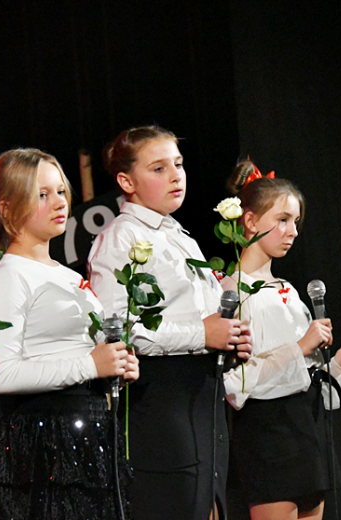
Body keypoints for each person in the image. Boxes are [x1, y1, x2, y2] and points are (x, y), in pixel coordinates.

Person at [87, 126, 252, 520]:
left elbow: (200, 317)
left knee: (210, 503)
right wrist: (203, 335)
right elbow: (118, 329)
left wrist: (229, 343)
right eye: (159, 168)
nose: (176, 175)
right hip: (160, 398)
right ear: (126, 181)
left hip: (202, 396)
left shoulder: (180, 235)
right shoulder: (119, 238)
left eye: (178, 164)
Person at [0, 148, 140, 520]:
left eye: (61, 192)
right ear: (5, 209)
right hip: (45, 440)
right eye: (41, 194)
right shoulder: (9, 276)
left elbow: (86, 354)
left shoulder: (69, 275)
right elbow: (3, 376)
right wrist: (90, 365)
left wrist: (116, 366)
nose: (59, 203)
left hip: (91, 431)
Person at [221, 160, 341, 520]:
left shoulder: (287, 290)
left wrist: (337, 368)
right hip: (266, 433)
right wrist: (300, 347)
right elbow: (235, 383)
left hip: (305, 430)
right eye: (282, 219)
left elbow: (302, 376)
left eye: (295, 222)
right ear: (250, 221)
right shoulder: (229, 290)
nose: (292, 231)